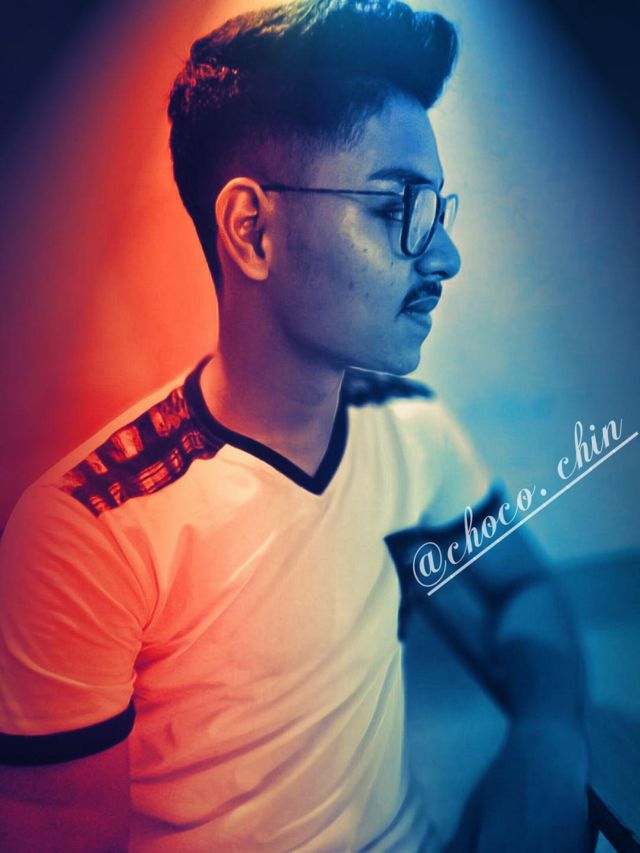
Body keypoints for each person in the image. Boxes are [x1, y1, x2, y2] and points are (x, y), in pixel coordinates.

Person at [0, 1, 592, 850]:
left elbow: (524, 583)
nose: (445, 256)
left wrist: (546, 735)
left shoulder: (407, 427)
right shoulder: (87, 534)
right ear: (252, 230)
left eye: (438, 209)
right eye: (399, 206)